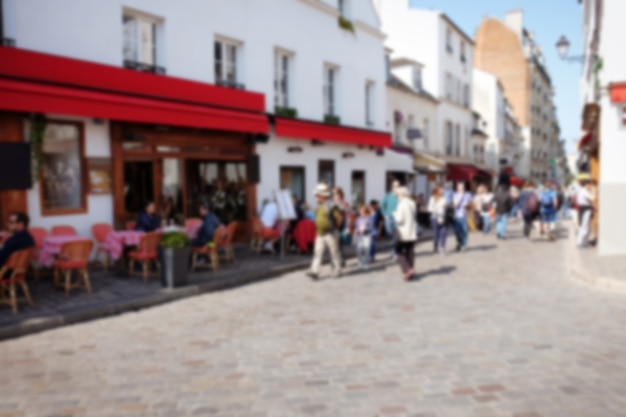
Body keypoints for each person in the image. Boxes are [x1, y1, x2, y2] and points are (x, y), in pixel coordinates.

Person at [307, 184, 343, 280]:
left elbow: (339, 218)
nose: (315, 197)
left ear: (322, 195)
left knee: (334, 252)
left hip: (330, 233)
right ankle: (314, 271)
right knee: (317, 253)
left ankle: (337, 269)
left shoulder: (331, 205)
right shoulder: (319, 205)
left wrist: (335, 229)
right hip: (320, 233)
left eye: (317, 195)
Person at [393, 187, 418, 281]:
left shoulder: (402, 204)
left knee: (399, 252)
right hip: (412, 231)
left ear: (401, 195)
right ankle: (410, 269)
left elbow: (399, 219)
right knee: (410, 252)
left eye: (398, 195)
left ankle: (407, 270)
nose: (397, 197)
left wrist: (395, 214)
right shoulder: (412, 203)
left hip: (403, 232)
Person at [381, 180, 400, 260]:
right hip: (389, 218)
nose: (397, 188)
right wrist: (385, 215)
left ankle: (394, 252)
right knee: (390, 236)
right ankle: (392, 250)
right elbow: (382, 206)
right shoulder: (388, 196)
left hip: (397, 218)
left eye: (398, 186)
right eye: (395, 186)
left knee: (396, 236)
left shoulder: (400, 196)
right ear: (392, 187)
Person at [333, 187, 351, 267]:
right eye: (333, 194)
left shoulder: (344, 203)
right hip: (332, 225)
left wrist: (348, 226)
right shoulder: (331, 203)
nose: (335, 195)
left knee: (338, 243)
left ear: (341, 194)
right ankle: (340, 261)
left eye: (336, 194)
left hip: (341, 224)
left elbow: (348, 215)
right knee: (335, 244)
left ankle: (339, 261)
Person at [452, 182, 473, 252]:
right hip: (457, 216)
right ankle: (459, 243)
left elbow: (472, 205)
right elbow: (455, 205)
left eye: (462, 187)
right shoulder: (455, 195)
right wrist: (460, 197)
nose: (461, 189)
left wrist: (468, 206)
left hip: (465, 216)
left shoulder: (468, 195)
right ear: (457, 188)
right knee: (457, 231)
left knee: (465, 231)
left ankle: (463, 245)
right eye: (460, 187)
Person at [428, 185, 447, 255]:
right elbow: (429, 208)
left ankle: (442, 247)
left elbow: (444, 206)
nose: (442, 191)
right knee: (436, 233)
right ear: (437, 191)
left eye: (442, 190)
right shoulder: (432, 198)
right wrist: (436, 209)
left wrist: (445, 206)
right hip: (435, 218)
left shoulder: (443, 198)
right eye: (441, 190)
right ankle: (435, 247)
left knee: (444, 232)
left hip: (442, 217)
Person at [576, 174, 595, 248]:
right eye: (590, 185)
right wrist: (593, 191)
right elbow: (592, 199)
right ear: (587, 184)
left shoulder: (581, 191)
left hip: (582, 209)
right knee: (585, 226)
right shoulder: (585, 191)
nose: (591, 186)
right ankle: (583, 243)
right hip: (586, 209)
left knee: (582, 226)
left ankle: (581, 242)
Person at [354, 205, 374, 270]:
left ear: (366, 212)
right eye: (360, 212)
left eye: (363, 212)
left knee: (366, 250)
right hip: (360, 235)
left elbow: (371, 227)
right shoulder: (358, 219)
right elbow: (356, 226)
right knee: (358, 249)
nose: (361, 213)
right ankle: (360, 262)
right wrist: (356, 229)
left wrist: (365, 229)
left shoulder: (370, 218)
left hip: (367, 236)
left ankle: (365, 263)